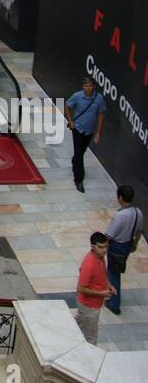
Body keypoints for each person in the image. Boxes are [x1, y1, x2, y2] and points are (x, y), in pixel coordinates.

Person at [105, 186, 144, 316]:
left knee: (113, 273)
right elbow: (139, 231)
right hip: (127, 245)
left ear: (120, 197)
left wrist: (102, 246)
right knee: (115, 270)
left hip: (117, 247)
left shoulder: (120, 216)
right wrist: (135, 244)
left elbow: (109, 236)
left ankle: (114, 303)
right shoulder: (138, 212)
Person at [64, 75, 106, 193]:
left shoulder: (99, 99)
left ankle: (75, 162)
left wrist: (98, 133)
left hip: (89, 131)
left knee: (81, 152)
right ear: (83, 86)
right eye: (86, 86)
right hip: (78, 128)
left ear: (94, 86)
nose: (88, 88)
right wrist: (70, 121)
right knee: (79, 155)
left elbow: (101, 115)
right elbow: (67, 106)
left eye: (90, 86)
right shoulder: (77, 96)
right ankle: (78, 180)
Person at [75, 233, 115, 345]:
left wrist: (109, 285)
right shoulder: (89, 264)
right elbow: (80, 288)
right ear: (93, 246)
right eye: (101, 247)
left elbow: (102, 274)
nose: (104, 250)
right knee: (91, 338)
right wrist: (101, 293)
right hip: (89, 306)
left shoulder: (101, 258)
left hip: (93, 304)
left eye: (106, 246)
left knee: (78, 324)